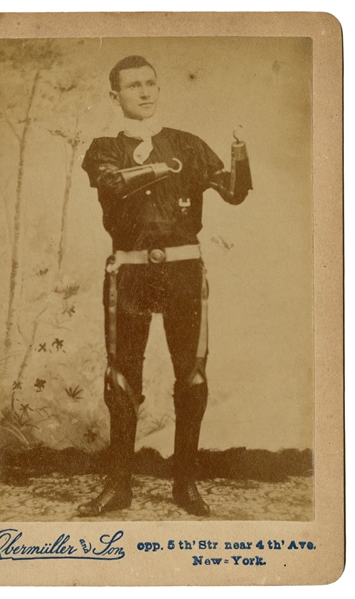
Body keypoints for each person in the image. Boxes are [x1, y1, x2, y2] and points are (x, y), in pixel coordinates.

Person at [79, 55, 252, 517]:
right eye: (133, 85)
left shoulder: (187, 145)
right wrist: (162, 166)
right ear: (114, 96)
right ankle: (119, 487)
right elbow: (114, 185)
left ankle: (185, 486)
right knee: (120, 381)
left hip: (182, 271)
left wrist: (239, 151)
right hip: (130, 272)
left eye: (151, 83)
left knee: (192, 379)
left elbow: (233, 192)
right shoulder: (102, 149)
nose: (145, 91)